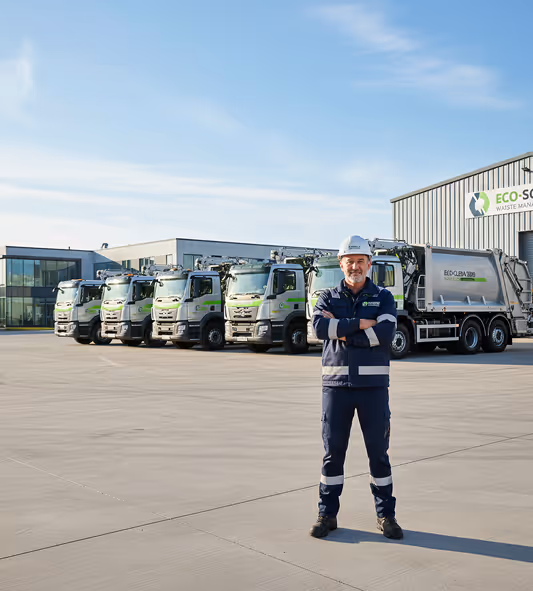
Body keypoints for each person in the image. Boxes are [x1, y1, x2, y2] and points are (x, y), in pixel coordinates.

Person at [309, 235, 403, 540]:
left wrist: (344, 329)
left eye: (360, 261)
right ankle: (327, 514)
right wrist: (362, 323)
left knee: (379, 454)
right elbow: (320, 328)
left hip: (373, 388)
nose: (355, 266)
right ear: (341, 264)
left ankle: (386, 516)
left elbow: (386, 333)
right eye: (349, 261)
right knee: (332, 453)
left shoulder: (384, 297)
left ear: (369, 264)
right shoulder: (326, 297)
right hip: (336, 387)